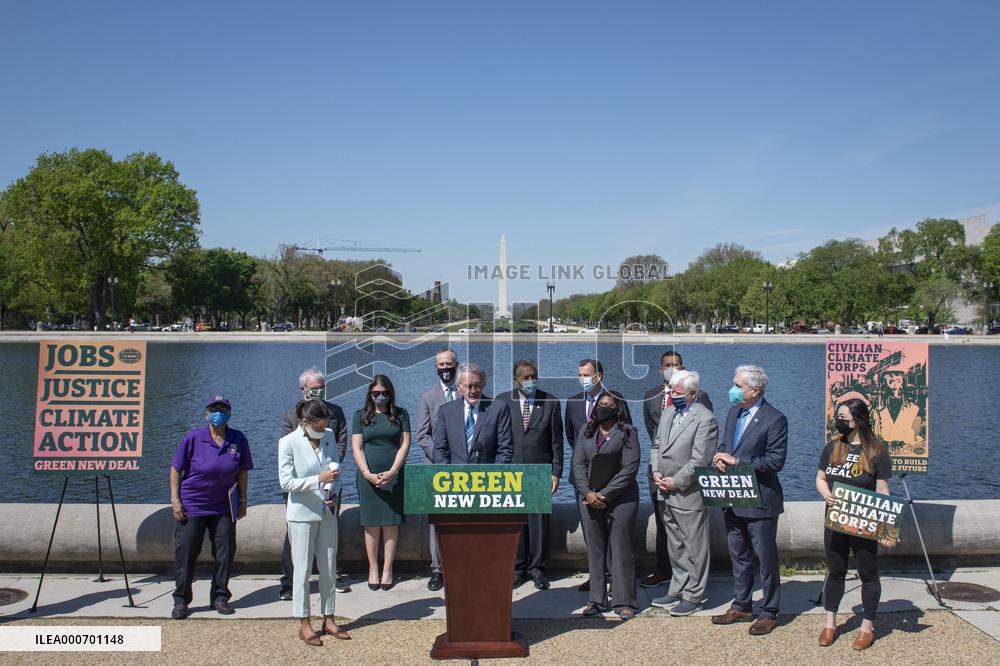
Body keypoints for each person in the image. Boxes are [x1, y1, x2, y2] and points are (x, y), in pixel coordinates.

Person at [711, 365, 788, 636]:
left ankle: (769, 611)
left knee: (766, 560)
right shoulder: (733, 412)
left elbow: (775, 462)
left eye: (738, 386)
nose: (732, 390)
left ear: (755, 391)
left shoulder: (775, 419)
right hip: (733, 497)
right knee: (739, 556)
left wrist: (737, 461)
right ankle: (741, 605)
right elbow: (726, 446)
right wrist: (720, 458)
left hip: (761, 500)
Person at [816, 398, 894, 650]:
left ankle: (866, 627)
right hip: (835, 520)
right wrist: (826, 494)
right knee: (835, 571)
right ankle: (830, 624)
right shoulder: (832, 447)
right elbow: (820, 478)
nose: (838, 422)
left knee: (867, 573)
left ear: (858, 420)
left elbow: (882, 491)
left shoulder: (877, 453)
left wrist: (886, 528)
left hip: (864, 523)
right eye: (837, 417)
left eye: (843, 418)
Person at [169, 396, 253, 620]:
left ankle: (220, 596)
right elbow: (176, 469)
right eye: (214, 409)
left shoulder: (238, 438)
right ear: (206, 414)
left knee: (225, 553)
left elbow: (243, 471)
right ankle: (181, 600)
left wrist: (243, 500)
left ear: (229, 413)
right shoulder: (193, 437)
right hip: (193, 505)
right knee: (186, 553)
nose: (219, 413)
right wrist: (175, 500)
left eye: (223, 409)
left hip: (224, 506)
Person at [278, 400, 350, 645]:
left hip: (327, 510)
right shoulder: (288, 442)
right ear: (304, 422)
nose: (322, 430)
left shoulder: (328, 436)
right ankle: (304, 621)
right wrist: (318, 479)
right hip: (301, 514)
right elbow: (286, 482)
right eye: (317, 426)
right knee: (303, 569)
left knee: (329, 566)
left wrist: (333, 491)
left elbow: (335, 470)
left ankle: (329, 617)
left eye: (324, 425)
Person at [640, 350, 713, 588]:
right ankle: (667, 573)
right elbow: (654, 436)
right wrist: (656, 468)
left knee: (691, 535)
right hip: (659, 475)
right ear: (660, 369)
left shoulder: (701, 399)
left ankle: (694, 586)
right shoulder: (652, 398)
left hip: (687, 479)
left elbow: (703, 445)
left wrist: (679, 477)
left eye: (677, 365)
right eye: (668, 365)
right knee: (666, 527)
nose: (672, 368)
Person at [649, 370, 717, 616]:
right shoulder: (668, 413)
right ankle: (677, 587)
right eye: (671, 391)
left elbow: (701, 459)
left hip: (687, 492)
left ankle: (694, 594)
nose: (673, 395)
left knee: (694, 545)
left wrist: (676, 482)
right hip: (664, 489)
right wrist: (656, 470)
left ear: (692, 393)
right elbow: (657, 445)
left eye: (678, 392)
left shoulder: (705, 419)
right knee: (675, 543)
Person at [564, 359, 632, 592]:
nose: (581, 378)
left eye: (586, 374)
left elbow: (627, 433)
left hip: (610, 478)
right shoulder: (573, 402)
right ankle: (597, 576)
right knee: (590, 530)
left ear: (598, 376)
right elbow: (572, 437)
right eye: (579, 374)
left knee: (613, 529)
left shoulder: (615, 399)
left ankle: (614, 576)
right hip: (583, 478)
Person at [571, 392, 640, 619]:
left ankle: (624, 602)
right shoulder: (586, 430)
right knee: (595, 550)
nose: (602, 408)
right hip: (589, 498)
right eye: (600, 404)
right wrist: (587, 492)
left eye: (608, 405)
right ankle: (596, 600)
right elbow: (578, 464)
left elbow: (630, 469)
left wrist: (605, 494)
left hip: (621, 499)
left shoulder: (628, 432)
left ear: (618, 409)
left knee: (621, 549)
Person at [498, 359, 564, 590]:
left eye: (533, 377)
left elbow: (557, 442)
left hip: (539, 471)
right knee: (515, 522)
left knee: (539, 524)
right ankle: (517, 568)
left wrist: (556, 472)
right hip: (511, 472)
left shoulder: (550, 402)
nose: (530, 381)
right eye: (525, 378)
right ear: (515, 380)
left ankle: (538, 569)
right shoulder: (502, 401)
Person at [352, 375, 411, 591]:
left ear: (390, 393)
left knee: (391, 524)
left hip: (394, 476)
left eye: (384, 393)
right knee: (371, 524)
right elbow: (357, 447)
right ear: (370, 394)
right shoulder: (360, 415)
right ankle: (373, 569)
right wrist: (367, 473)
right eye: (376, 393)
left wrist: (393, 471)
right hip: (368, 477)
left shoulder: (401, 414)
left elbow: (405, 444)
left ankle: (388, 569)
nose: (380, 397)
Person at [414, 348, 459, 591]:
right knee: (437, 521)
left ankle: (460, 565)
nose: (445, 368)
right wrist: (443, 460)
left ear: (456, 364)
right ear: (436, 367)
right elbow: (422, 435)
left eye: (448, 363)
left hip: (464, 468)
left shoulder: (467, 391)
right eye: (441, 364)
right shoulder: (427, 397)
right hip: (437, 468)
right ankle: (437, 570)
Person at [433, 363, 513, 465]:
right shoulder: (446, 412)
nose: (473, 391)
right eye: (468, 386)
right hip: (456, 473)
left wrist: (495, 472)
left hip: (489, 473)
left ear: (483, 385)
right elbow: (440, 450)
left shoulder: (498, 408)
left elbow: (506, 448)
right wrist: (447, 472)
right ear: (459, 388)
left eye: (477, 385)